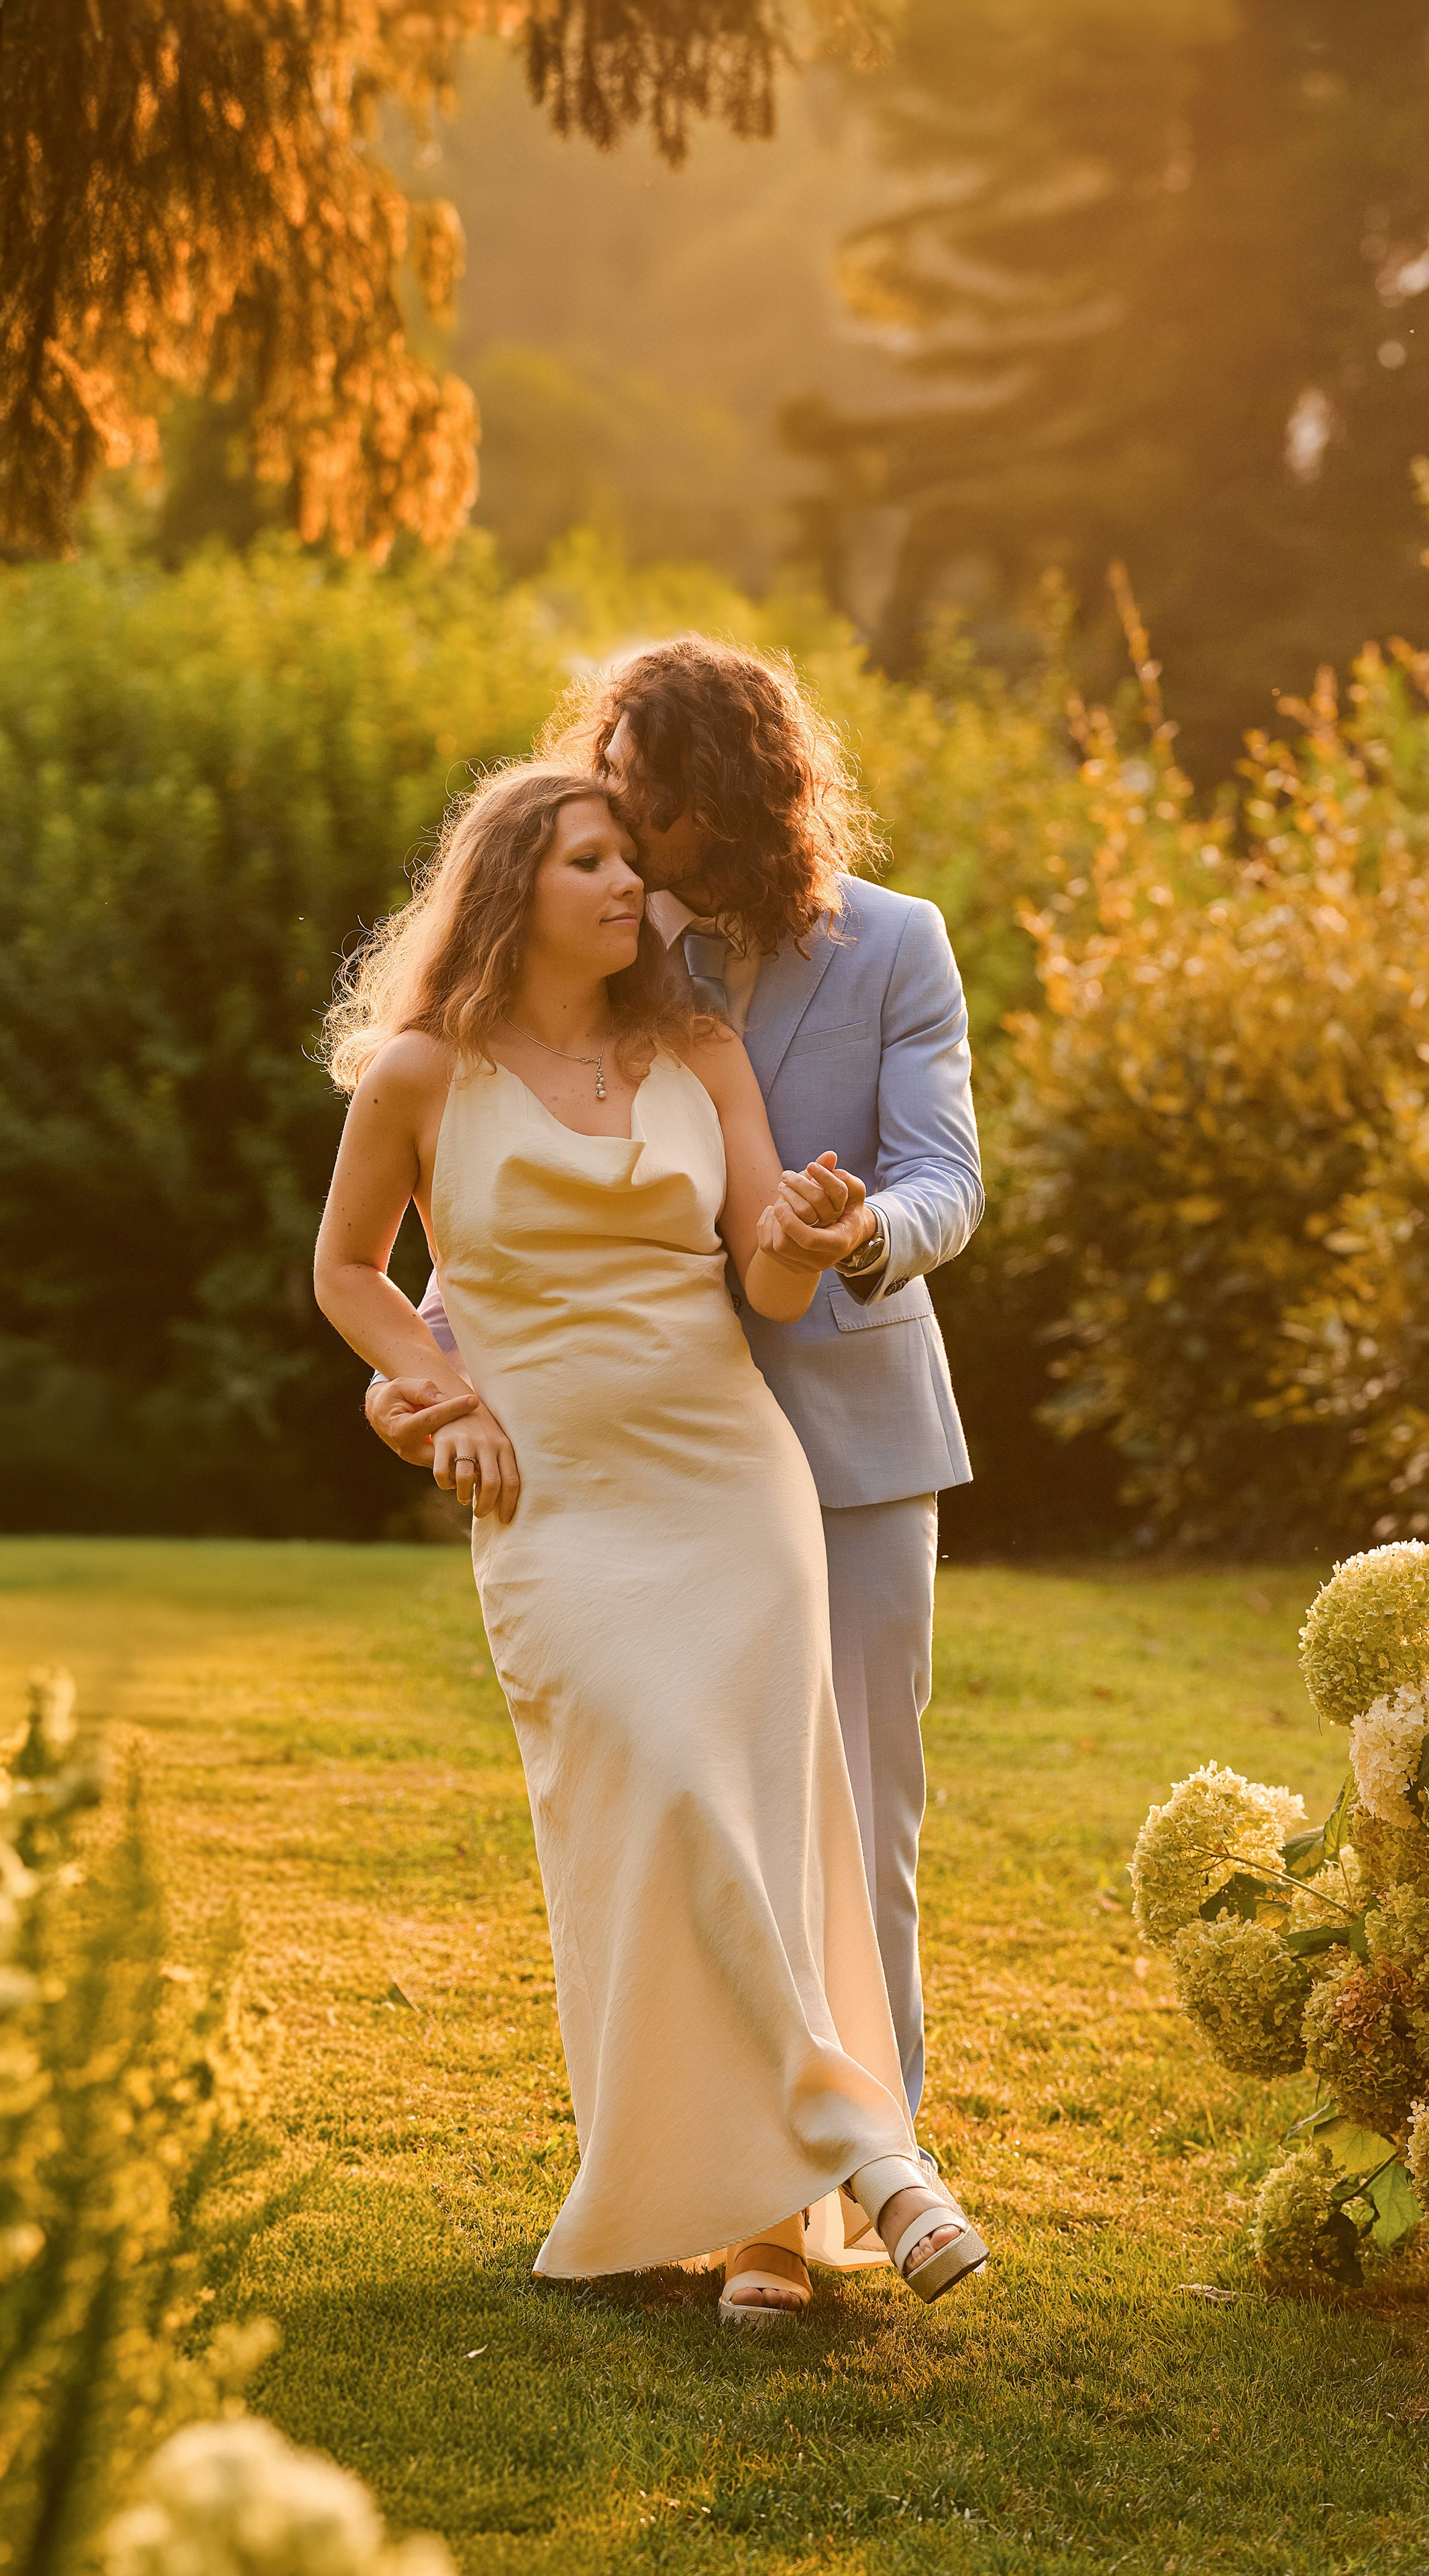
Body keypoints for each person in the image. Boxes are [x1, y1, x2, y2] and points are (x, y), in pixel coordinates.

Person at [313, 761, 987, 2324]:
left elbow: (758, 1273)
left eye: (627, 859)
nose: (633, 887)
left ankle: (775, 2219)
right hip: (554, 1501)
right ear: (512, 891)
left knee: (752, 1811)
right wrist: (439, 1388)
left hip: (724, 1480)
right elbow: (350, 1270)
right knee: (663, 1806)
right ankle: (867, 2152)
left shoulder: (696, 1047)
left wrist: (803, 1230)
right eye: (593, 862)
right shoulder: (418, 1073)